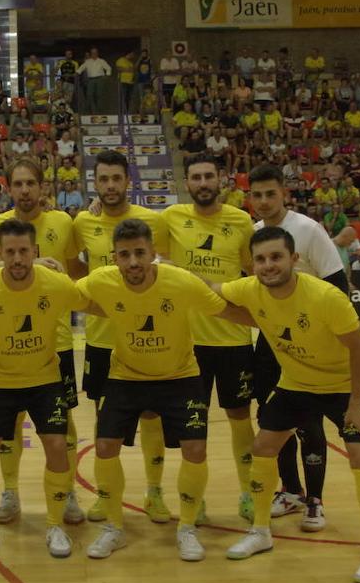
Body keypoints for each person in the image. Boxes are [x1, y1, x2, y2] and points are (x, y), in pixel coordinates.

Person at [220, 227, 360, 583]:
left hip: (345, 388)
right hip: (297, 384)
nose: (268, 265)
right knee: (263, 447)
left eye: (276, 257)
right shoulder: (250, 289)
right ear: (253, 265)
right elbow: (213, 294)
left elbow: (359, 348)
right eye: (261, 259)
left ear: (294, 260)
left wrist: (357, 402)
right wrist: (165, 273)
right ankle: (261, 531)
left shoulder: (326, 297)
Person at [78, 219, 250, 560]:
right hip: (126, 376)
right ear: (114, 257)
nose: (133, 262)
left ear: (154, 253)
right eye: (125, 255)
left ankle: (186, 527)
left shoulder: (181, 281)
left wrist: (281, 321)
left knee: (196, 450)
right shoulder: (101, 280)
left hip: (180, 376)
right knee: (105, 445)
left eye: (140, 253)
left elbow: (227, 310)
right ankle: (114, 526)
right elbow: (64, 293)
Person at [0, 219, 91, 557]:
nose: (17, 259)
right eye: (9, 252)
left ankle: (54, 525)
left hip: (44, 379)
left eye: (23, 251)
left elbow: (93, 301)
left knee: (58, 445)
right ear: (0, 253)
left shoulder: (56, 283)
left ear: (35, 251)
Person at [0, 159, 88, 525]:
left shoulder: (64, 223)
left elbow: (76, 274)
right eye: (18, 184)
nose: (25, 190)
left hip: (55, 342)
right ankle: (9, 492)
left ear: (43, 188)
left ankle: (68, 490)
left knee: (62, 424)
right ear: (8, 188)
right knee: (10, 425)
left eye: (31, 183)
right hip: (6, 344)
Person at [248, 164, 348, 532]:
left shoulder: (307, 229)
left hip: (310, 345)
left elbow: (338, 285)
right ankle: (290, 490)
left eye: (269, 194)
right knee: (274, 419)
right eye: (256, 195)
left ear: (283, 194)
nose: (262, 201)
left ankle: (315, 501)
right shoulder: (254, 233)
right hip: (270, 342)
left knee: (308, 421)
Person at [160, 154, 258, 524]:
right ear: (187, 183)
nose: (203, 183)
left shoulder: (241, 220)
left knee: (239, 417)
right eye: (196, 177)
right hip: (187, 345)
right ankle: (194, 499)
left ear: (222, 179)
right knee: (192, 426)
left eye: (209, 176)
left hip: (233, 340)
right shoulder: (172, 218)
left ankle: (249, 493)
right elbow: (127, 220)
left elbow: (254, 272)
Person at [75, 151, 170, 523]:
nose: (111, 186)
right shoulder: (83, 221)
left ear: (129, 181)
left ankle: (155, 492)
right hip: (101, 338)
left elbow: (167, 270)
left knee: (151, 416)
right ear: (95, 184)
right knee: (104, 420)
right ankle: (105, 494)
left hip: (147, 337)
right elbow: (73, 268)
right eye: (104, 180)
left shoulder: (154, 221)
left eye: (117, 178)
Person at [76, 47, 113, 113]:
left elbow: (108, 68)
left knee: (99, 95)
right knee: (89, 95)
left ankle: (99, 111)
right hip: (91, 80)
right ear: (91, 54)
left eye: (95, 52)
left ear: (97, 53)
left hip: (100, 79)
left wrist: (107, 75)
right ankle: (93, 111)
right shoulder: (87, 61)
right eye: (92, 53)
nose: (94, 54)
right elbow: (81, 68)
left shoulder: (101, 61)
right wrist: (77, 73)